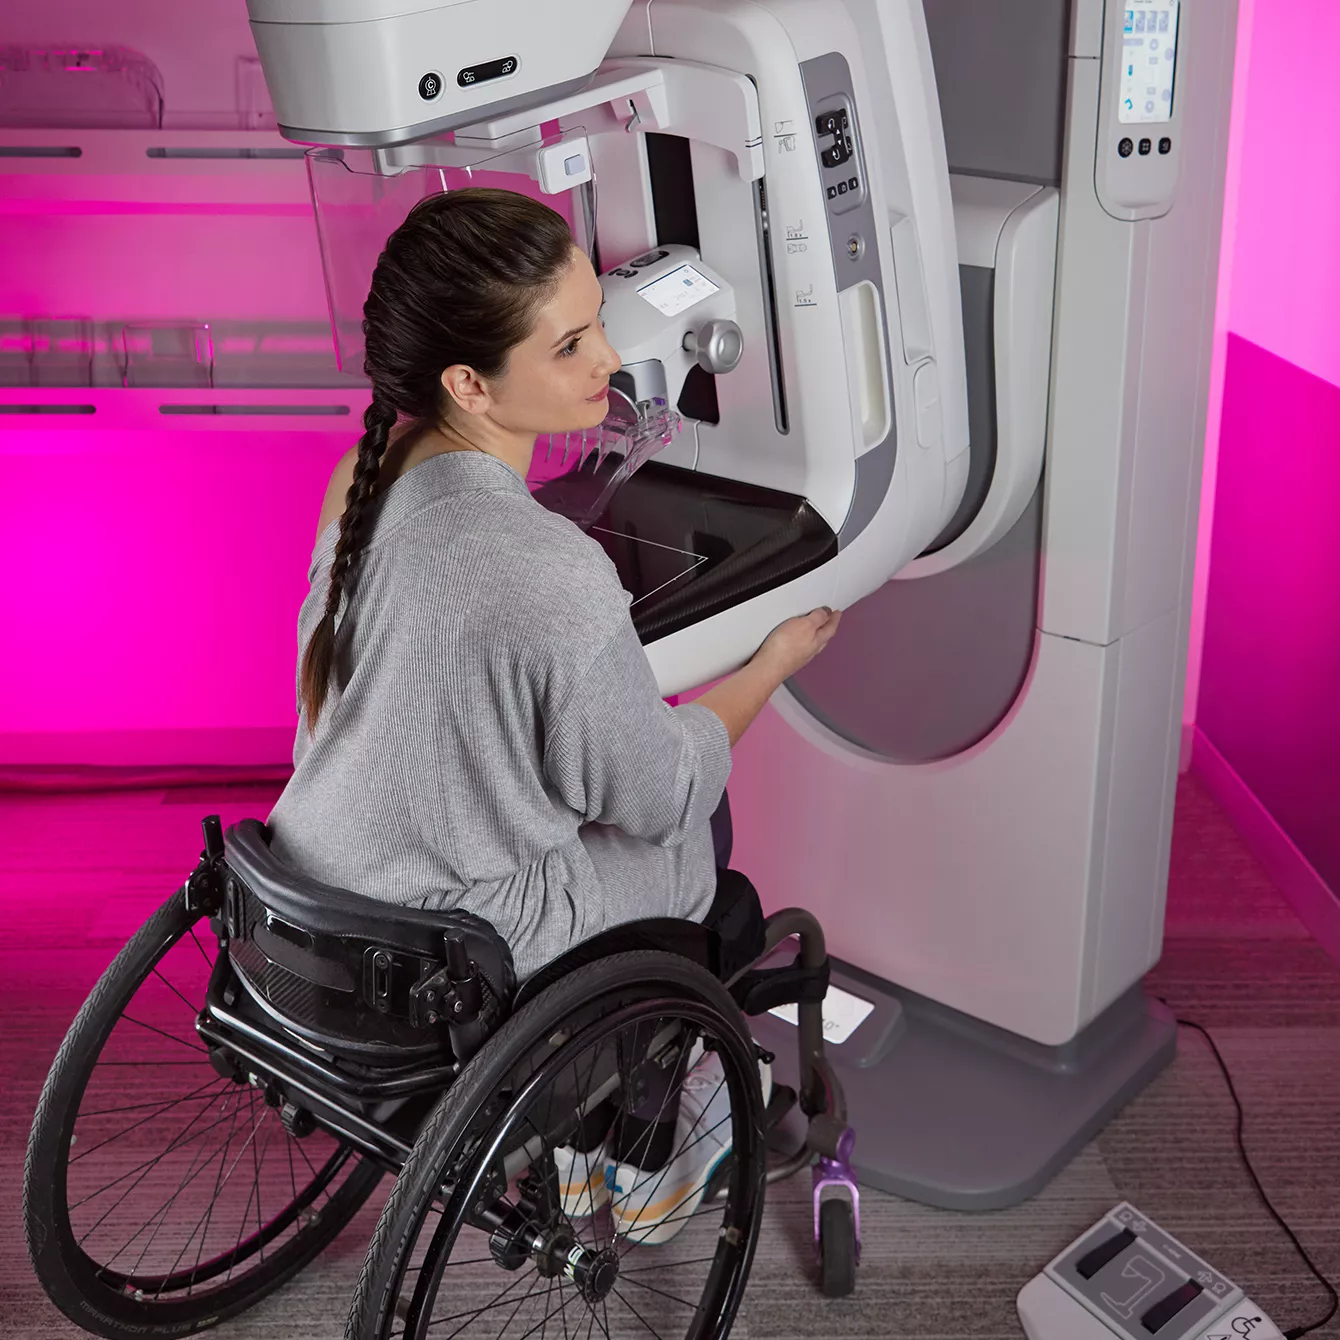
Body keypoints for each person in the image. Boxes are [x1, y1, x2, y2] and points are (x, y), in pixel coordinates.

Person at [266, 187, 841, 1237]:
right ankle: (638, 1144)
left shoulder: (363, 474)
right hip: (448, 962)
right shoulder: (551, 570)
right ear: (468, 383)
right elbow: (660, 791)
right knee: (697, 823)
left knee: (567, 775)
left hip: (309, 907)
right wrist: (770, 663)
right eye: (570, 344)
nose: (610, 363)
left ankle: (594, 1132)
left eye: (597, 326)